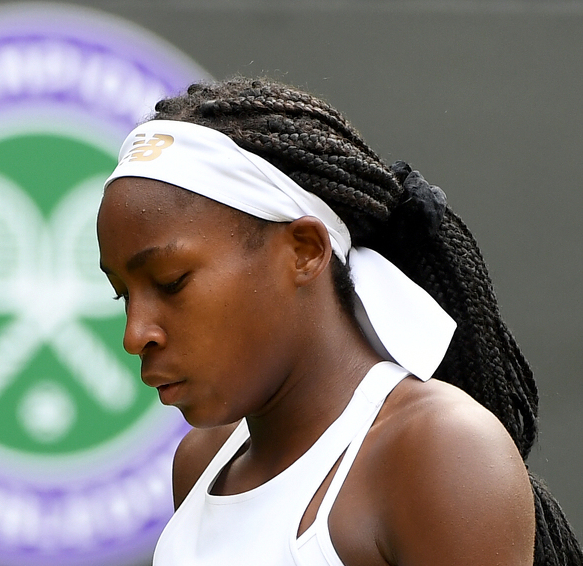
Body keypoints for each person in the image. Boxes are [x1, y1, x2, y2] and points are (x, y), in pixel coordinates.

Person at [96, 78, 582, 566]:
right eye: (123, 295)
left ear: (305, 250)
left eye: (172, 281)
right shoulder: (203, 462)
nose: (135, 334)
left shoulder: (439, 449)